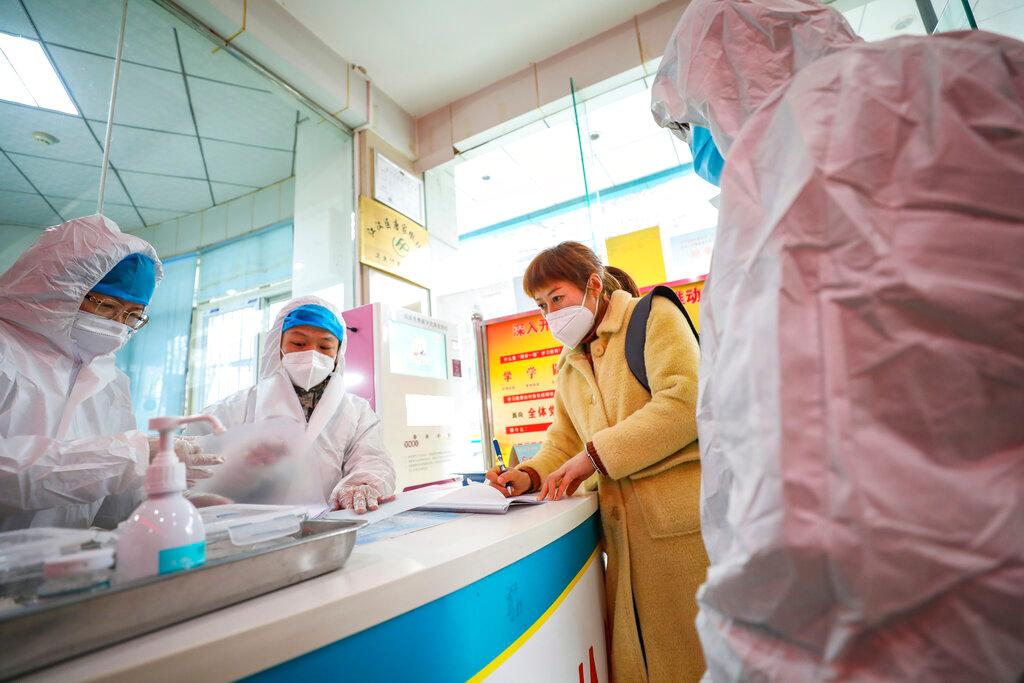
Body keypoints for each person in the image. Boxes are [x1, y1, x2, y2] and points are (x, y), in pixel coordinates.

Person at [651, 1, 1024, 680]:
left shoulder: (778, 175)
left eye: (690, 122)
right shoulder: (982, 67)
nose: (699, 148)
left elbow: (780, 471)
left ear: (720, 77)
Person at [486, 242, 707, 682]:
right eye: (541, 305)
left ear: (592, 285)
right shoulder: (569, 364)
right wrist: (528, 474)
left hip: (682, 529)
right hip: (623, 535)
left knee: (700, 654)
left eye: (557, 297)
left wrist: (596, 455)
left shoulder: (652, 315)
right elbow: (563, 440)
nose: (550, 313)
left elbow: (687, 400)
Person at [0, 215, 219, 530]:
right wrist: (129, 455)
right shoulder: (6, 351)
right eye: (105, 306)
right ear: (60, 289)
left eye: (132, 315)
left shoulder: (111, 382)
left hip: (64, 563)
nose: (117, 324)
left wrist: (169, 503)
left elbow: (115, 502)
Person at [187, 296, 396, 514]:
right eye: (298, 343)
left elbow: (373, 460)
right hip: (250, 529)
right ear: (277, 346)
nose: (312, 354)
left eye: (325, 346)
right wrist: (234, 470)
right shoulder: (234, 408)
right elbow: (192, 467)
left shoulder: (357, 411)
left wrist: (361, 485)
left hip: (329, 526)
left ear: (338, 354)